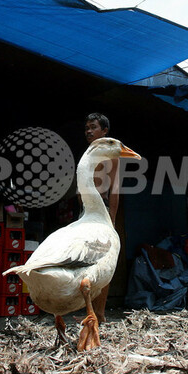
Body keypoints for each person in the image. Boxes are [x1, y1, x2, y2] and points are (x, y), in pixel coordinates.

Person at [84, 112, 121, 323]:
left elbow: (115, 187)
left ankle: (100, 313)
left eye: (93, 127)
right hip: (87, 212)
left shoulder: (111, 154)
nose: (89, 131)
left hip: (102, 210)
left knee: (103, 260)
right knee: (88, 260)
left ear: (104, 131)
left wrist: (112, 218)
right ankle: (91, 311)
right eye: (87, 128)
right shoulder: (89, 153)